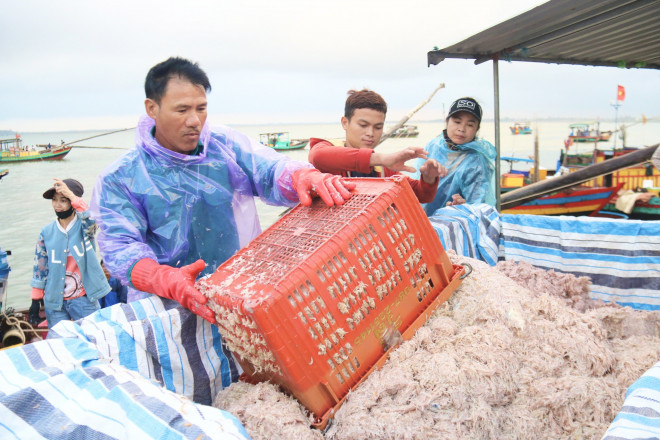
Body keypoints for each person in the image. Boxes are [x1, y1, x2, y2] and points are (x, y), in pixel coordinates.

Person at [90, 57, 354, 323]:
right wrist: (164, 278)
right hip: (166, 309)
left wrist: (302, 176)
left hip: (237, 292)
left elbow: (270, 170)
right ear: (152, 108)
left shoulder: (223, 145)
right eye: (182, 110)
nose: (195, 121)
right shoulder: (121, 177)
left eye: (201, 108)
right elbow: (120, 249)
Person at [308, 89, 446, 203]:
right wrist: (382, 158)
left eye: (378, 127)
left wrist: (429, 177)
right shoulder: (328, 149)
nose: (370, 133)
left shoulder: (382, 168)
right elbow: (318, 156)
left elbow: (421, 195)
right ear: (345, 123)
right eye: (363, 125)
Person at [30, 178, 110, 328]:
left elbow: (94, 219)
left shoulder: (85, 227)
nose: (57, 205)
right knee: (61, 343)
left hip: (83, 299)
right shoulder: (46, 232)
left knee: (94, 336)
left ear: (73, 203)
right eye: (54, 200)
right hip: (55, 302)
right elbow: (40, 266)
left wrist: (73, 197)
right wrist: (35, 298)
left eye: (63, 200)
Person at [415, 97, 496, 216]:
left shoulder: (477, 162)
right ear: (447, 121)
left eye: (470, 125)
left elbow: (479, 208)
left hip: (455, 225)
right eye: (457, 122)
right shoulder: (434, 146)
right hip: (425, 219)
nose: (461, 129)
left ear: (477, 129)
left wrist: (462, 207)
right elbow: (417, 181)